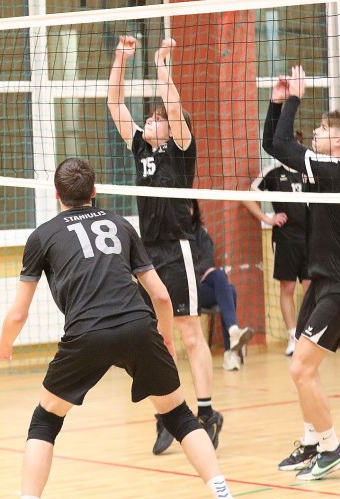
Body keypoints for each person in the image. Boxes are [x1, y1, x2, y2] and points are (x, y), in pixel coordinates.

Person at [0, 158, 239, 499]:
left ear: (56, 194)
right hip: (138, 326)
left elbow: (18, 313)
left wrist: (4, 345)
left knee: (45, 420)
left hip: (87, 332)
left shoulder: (41, 236)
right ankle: (224, 497)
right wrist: (165, 339)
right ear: (94, 191)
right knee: (179, 415)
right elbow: (161, 296)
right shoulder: (120, 225)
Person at [107, 35, 222, 456]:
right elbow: (114, 104)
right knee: (156, 338)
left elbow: (174, 107)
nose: (151, 122)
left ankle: (206, 413)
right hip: (147, 253)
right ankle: (168, 414)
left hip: (179, 249)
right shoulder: (141, 148)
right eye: (151, 119)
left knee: (190, 333)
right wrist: (121, 59)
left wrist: (161, 65)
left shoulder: (181, 151)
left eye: (158, 120)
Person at [263, 66, 340, 481]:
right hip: (322, 280)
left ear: (338, 141)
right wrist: (277, 103)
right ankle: (311, 442)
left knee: (300, 369)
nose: (316, 134)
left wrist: (295, 98)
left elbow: (284, 144)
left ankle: (331, 446)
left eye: (322, 130)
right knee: (305, 370)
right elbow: (273, 144)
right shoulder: (324, 169)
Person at [241, 131, 309, 356]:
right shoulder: (272, 172)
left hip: (310, 237)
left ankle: (308, 335)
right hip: (285, 238)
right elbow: (246, 197)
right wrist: (267, 218)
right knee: (287, 287)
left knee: (311, 287)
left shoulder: (309, 171)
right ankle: (292, 337)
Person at [190, 201, 254, 372]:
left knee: (223, 282)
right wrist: (197, 272)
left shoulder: (201, 234)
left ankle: (232, 337)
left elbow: (208, 261)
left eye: (190, 206)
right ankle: (230, 350)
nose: (187, 210)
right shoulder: (173, 237)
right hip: (187, 289)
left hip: (203, 287)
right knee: (228, 289)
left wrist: (201, 271)